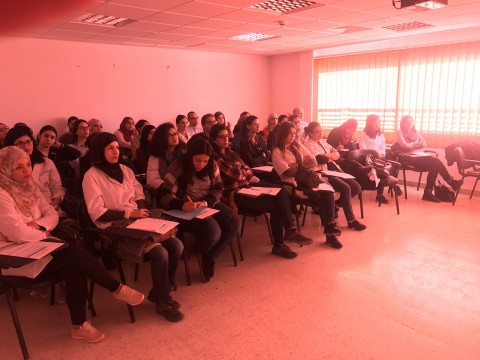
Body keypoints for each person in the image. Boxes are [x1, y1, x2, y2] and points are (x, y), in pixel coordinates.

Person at [0, 146, 144, 343]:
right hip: (15, 257)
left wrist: (39, 226)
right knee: (73, 254)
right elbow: (17, 232)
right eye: (19, 167)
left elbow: (52, 214)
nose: (27, 171)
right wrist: (40, 231)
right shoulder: (1, 194)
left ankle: (79, 326)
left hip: (40, 246)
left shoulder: (30, 187)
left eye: (28, 164)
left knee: (74, 267)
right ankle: (116, 288)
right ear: (5, 169)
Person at [82, 133, 184, 322]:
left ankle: (159, 291)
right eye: (110, 148)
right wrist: (130, 214)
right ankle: (163, 300)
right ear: (98, 151)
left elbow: (139, 192)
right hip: (113, 228)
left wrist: (143, 210)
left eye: (117, 147)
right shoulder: (91, 176)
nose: (116, 151)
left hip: (136, 220)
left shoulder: (124, 169)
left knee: (177, 245)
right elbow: (97, 213)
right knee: (160, 252)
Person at [210, 124, 312, 259]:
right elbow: (235, 174)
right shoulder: (215, 158)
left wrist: (244, 173)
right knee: (278, 205)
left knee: (280, 191)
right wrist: (244, 173)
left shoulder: (232, 154)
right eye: (221, 137)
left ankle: (288, 233)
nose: (226, 139)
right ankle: (281, 242)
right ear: (213, 139)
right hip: (236, 194)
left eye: (226, 136)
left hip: (249, 187)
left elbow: (248, 170)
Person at [159, 137, 240, 282]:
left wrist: (207, 201)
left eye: (205, 161)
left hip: (205, 203)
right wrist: (181, 204)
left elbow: (218, 188)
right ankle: (203, 251)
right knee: (214, 232)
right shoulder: (178, 167)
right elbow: (164, 195)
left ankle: (210, 256)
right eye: (197, 160)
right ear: (190, 156)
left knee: (233, 222)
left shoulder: (212, 165)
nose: (201, 165)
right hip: (185, 209)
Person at [272, 122, 343, 249]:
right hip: (293, 183)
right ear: (283, 134)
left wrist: (297, 166)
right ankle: (330, 234)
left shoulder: (297, 145)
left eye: (294, 133)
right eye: (289, 133)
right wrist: (300, 166)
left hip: (308, 177)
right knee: (320, 198)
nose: (292, 136)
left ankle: (330, 227)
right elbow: (287, 172)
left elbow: (312, 160)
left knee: (329, 190)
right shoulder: (277, 151)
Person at [303, 122, 366, 231]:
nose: (320, 133)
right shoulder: (308, 144)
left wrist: (328, 156)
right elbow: (320, 159)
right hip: (319, 175)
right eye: (317, 132)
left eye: (321, 130)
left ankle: (336, 205)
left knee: (356, 187)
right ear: (310, 133)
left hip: (330, 171)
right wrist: (330, 156)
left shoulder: (322, 142)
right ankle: (351, 220)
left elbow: (337, 154)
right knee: (346, 188)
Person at [392, 115, 462, 202]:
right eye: (407, 121)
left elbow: (424, 143)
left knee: (434, 165)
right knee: (435, 162)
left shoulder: (415, 133)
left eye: (411, 121)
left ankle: (428, 193)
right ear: (403, 123)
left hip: (418, 155)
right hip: (406, 157)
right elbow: (405, 146)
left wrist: (412, 145)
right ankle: (450, 182)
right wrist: (416, 145)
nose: (410, 123)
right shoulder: (400, 132)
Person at [5, 126, 66, 216]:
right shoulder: (6, 167)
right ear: (11, 146)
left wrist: (54, 205)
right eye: (20, 143)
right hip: (24, 212)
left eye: (28, 141)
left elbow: (57, 187)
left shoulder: (46, 162)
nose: (26, 146)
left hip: (51, 207)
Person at [358, 114, 400, 203]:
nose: (378, 124)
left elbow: (383, 147)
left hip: (379, 158)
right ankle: (381, 194)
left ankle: (390, 185)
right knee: (381, 170)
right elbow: (362, 148)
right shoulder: (363, 133)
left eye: (379, 122)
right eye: (375, 123)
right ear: (369, 124)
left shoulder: (380, 135)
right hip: (368, 159)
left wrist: (380, 155)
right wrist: (373, 155)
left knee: (394, 166)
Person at [147, 123, 186, 191]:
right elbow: (152, 180)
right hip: (166, 190)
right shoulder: (155, 157)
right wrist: (170, 187)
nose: (174, 137)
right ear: (162, 138)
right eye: (170, 135)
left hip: (185, 189)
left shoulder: (184, 152)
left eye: (175, 133)